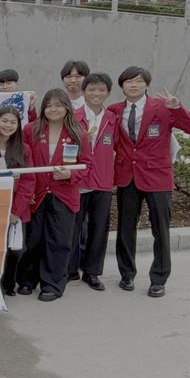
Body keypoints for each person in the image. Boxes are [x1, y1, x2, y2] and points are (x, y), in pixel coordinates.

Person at [109, 66, 190, 297]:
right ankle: (127, 274)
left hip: (157, 177)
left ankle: (159, 279)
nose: (133, 85)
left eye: (138, 80)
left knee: (160, 230)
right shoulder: (114, 110)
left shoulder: (164, 107)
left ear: (146, 84)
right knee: (125, 229)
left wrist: (179, 108)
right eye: (128, 81)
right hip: (127, 177)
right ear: (122, 86)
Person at [19, 89, 91, 302]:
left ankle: (52, 284)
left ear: (67, 107)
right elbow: (22, 160)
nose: (53, 109)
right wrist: (27, 190)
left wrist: (70, 174)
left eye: (58, 105)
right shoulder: (31, 130)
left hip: (64, 194)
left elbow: (87, 165)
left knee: (59, 241)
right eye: (49, 105)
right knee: (33, 239)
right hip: (37, 193)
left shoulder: (78, 134)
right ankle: (27, 279)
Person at [70, 73, 117, 290]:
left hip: (103, 181)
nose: (96, 94)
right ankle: (70, 269)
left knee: (99, 228)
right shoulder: (73, 116)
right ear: (83, 91)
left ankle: (92, 272)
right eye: (91, 89)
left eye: (101, 90)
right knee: (73, 226)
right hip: (78, 181)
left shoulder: (113, 119)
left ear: (108, 92)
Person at [0, 107, 35, 296]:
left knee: (16, 249)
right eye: (4, 121)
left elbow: (28, 181)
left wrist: (16, 211)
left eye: (12, 122)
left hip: (16, 209)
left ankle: (9, 284)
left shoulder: (24, 149)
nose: (8, 125)